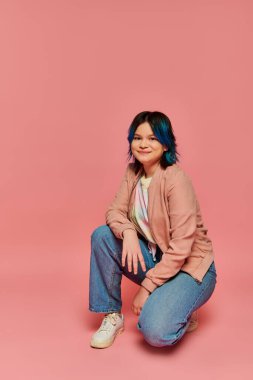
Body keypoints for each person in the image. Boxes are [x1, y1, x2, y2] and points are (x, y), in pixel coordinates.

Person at [88, 111, 217, 349]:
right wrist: (127, 232)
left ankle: (183, 306)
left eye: (152, 138)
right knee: (103, 236)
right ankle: (112, 315)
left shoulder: (176, 180)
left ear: (166, 143)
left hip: (191, 268)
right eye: (137, 138)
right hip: (158, 261)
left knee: (155, 332)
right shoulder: (132, 173)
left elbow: (181, 248)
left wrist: (147, 287)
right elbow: (114, 212)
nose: (143, 144)